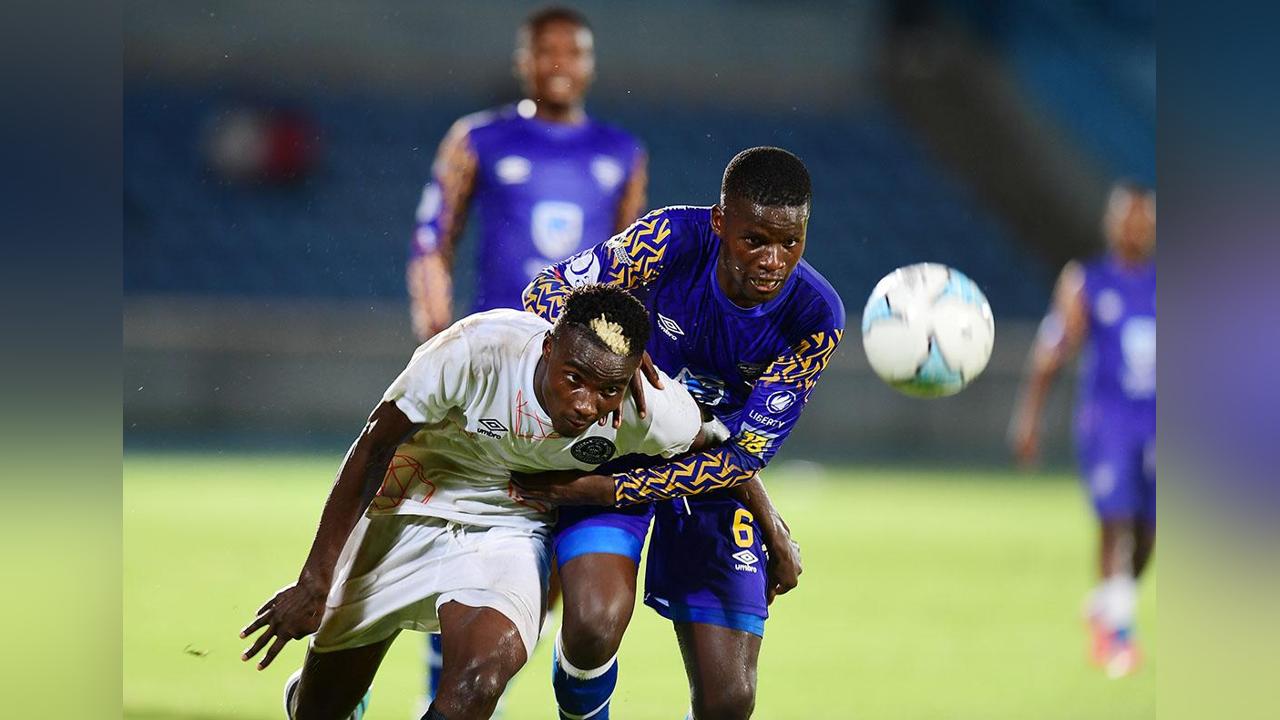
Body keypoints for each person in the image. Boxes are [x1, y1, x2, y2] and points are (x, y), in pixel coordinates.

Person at [239, 285, 720, 720]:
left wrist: (761, 519)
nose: (585, 405)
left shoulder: (650, 407)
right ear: (548, 348)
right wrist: (315, 581)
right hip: (409, 504)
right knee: (319, 709)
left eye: (608, 390)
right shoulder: (478, 349)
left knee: (481, 681)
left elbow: (726, 450)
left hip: (509, 526)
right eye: (574, 379)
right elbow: (374, 445)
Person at [517, 147, 845, 718]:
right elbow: (544, 291)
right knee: (593, 625)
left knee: (730, 699)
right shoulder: (670, 238)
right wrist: (611, 346)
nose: (773, 261)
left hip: (705, 474)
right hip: (614, 448)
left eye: (790, 243)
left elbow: (741, 457)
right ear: (720, 223)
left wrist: (610, 493)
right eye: (755, 241)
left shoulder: (815, 318)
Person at [407, 5, 647, 341]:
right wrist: (436, 323)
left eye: (574, 53)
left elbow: (630, 259)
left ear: (591, 64)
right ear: (522, 61)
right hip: (495, 339)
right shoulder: (476, 138)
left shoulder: (622, 151)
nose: (560, 64)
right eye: (547, 51)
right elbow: (433, 236)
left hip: (583, 346)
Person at [1009, 182, 1156, 678]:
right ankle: (1117, 637)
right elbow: (1053, 353)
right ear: (1110, 224)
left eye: (1143, 219)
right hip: (1109, 422)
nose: (1135, 228)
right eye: (1127, 218)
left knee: (1149, 534)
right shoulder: (1087, 282)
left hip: (1157, 422)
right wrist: (1029, 419)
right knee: (1116, 520)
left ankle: (1107, 604)